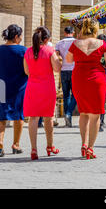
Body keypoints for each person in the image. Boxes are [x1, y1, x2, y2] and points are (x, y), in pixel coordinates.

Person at [66, 19, 106, 160]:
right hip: (97, 79)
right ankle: (91, 148)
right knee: (95, 115)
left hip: (79, 78)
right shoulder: (102, 44)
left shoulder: (75, 44)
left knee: (84, 113)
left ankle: (84, 144)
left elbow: (69, 60)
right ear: (95, 29)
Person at [23, 27, 62, 160]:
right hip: (47, 87)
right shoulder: (50, 51)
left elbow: (27, 71)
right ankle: (50, 146)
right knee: (48, 118)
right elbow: (57, 69)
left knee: (33, 118)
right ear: (46, 39)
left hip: (32, 87)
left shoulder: (28, 52)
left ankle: (34, 149)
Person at [0, 25, 28, 157]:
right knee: (19, 115)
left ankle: (0, 144)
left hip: (2, 86)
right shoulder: (23, 51)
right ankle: (16, 144)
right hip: (19, 87)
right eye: (20, 36)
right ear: (16, 37)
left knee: (1, 116)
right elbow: (27, 70)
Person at [55, 26, 77, 128]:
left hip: (63, 70)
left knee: (66, 95)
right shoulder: (77, 42)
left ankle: (67, 118)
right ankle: (68, 113)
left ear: (64, 33)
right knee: (76, 94)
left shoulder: (59, 43)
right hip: (74, 70)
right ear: (73, 32)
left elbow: (57, 56)